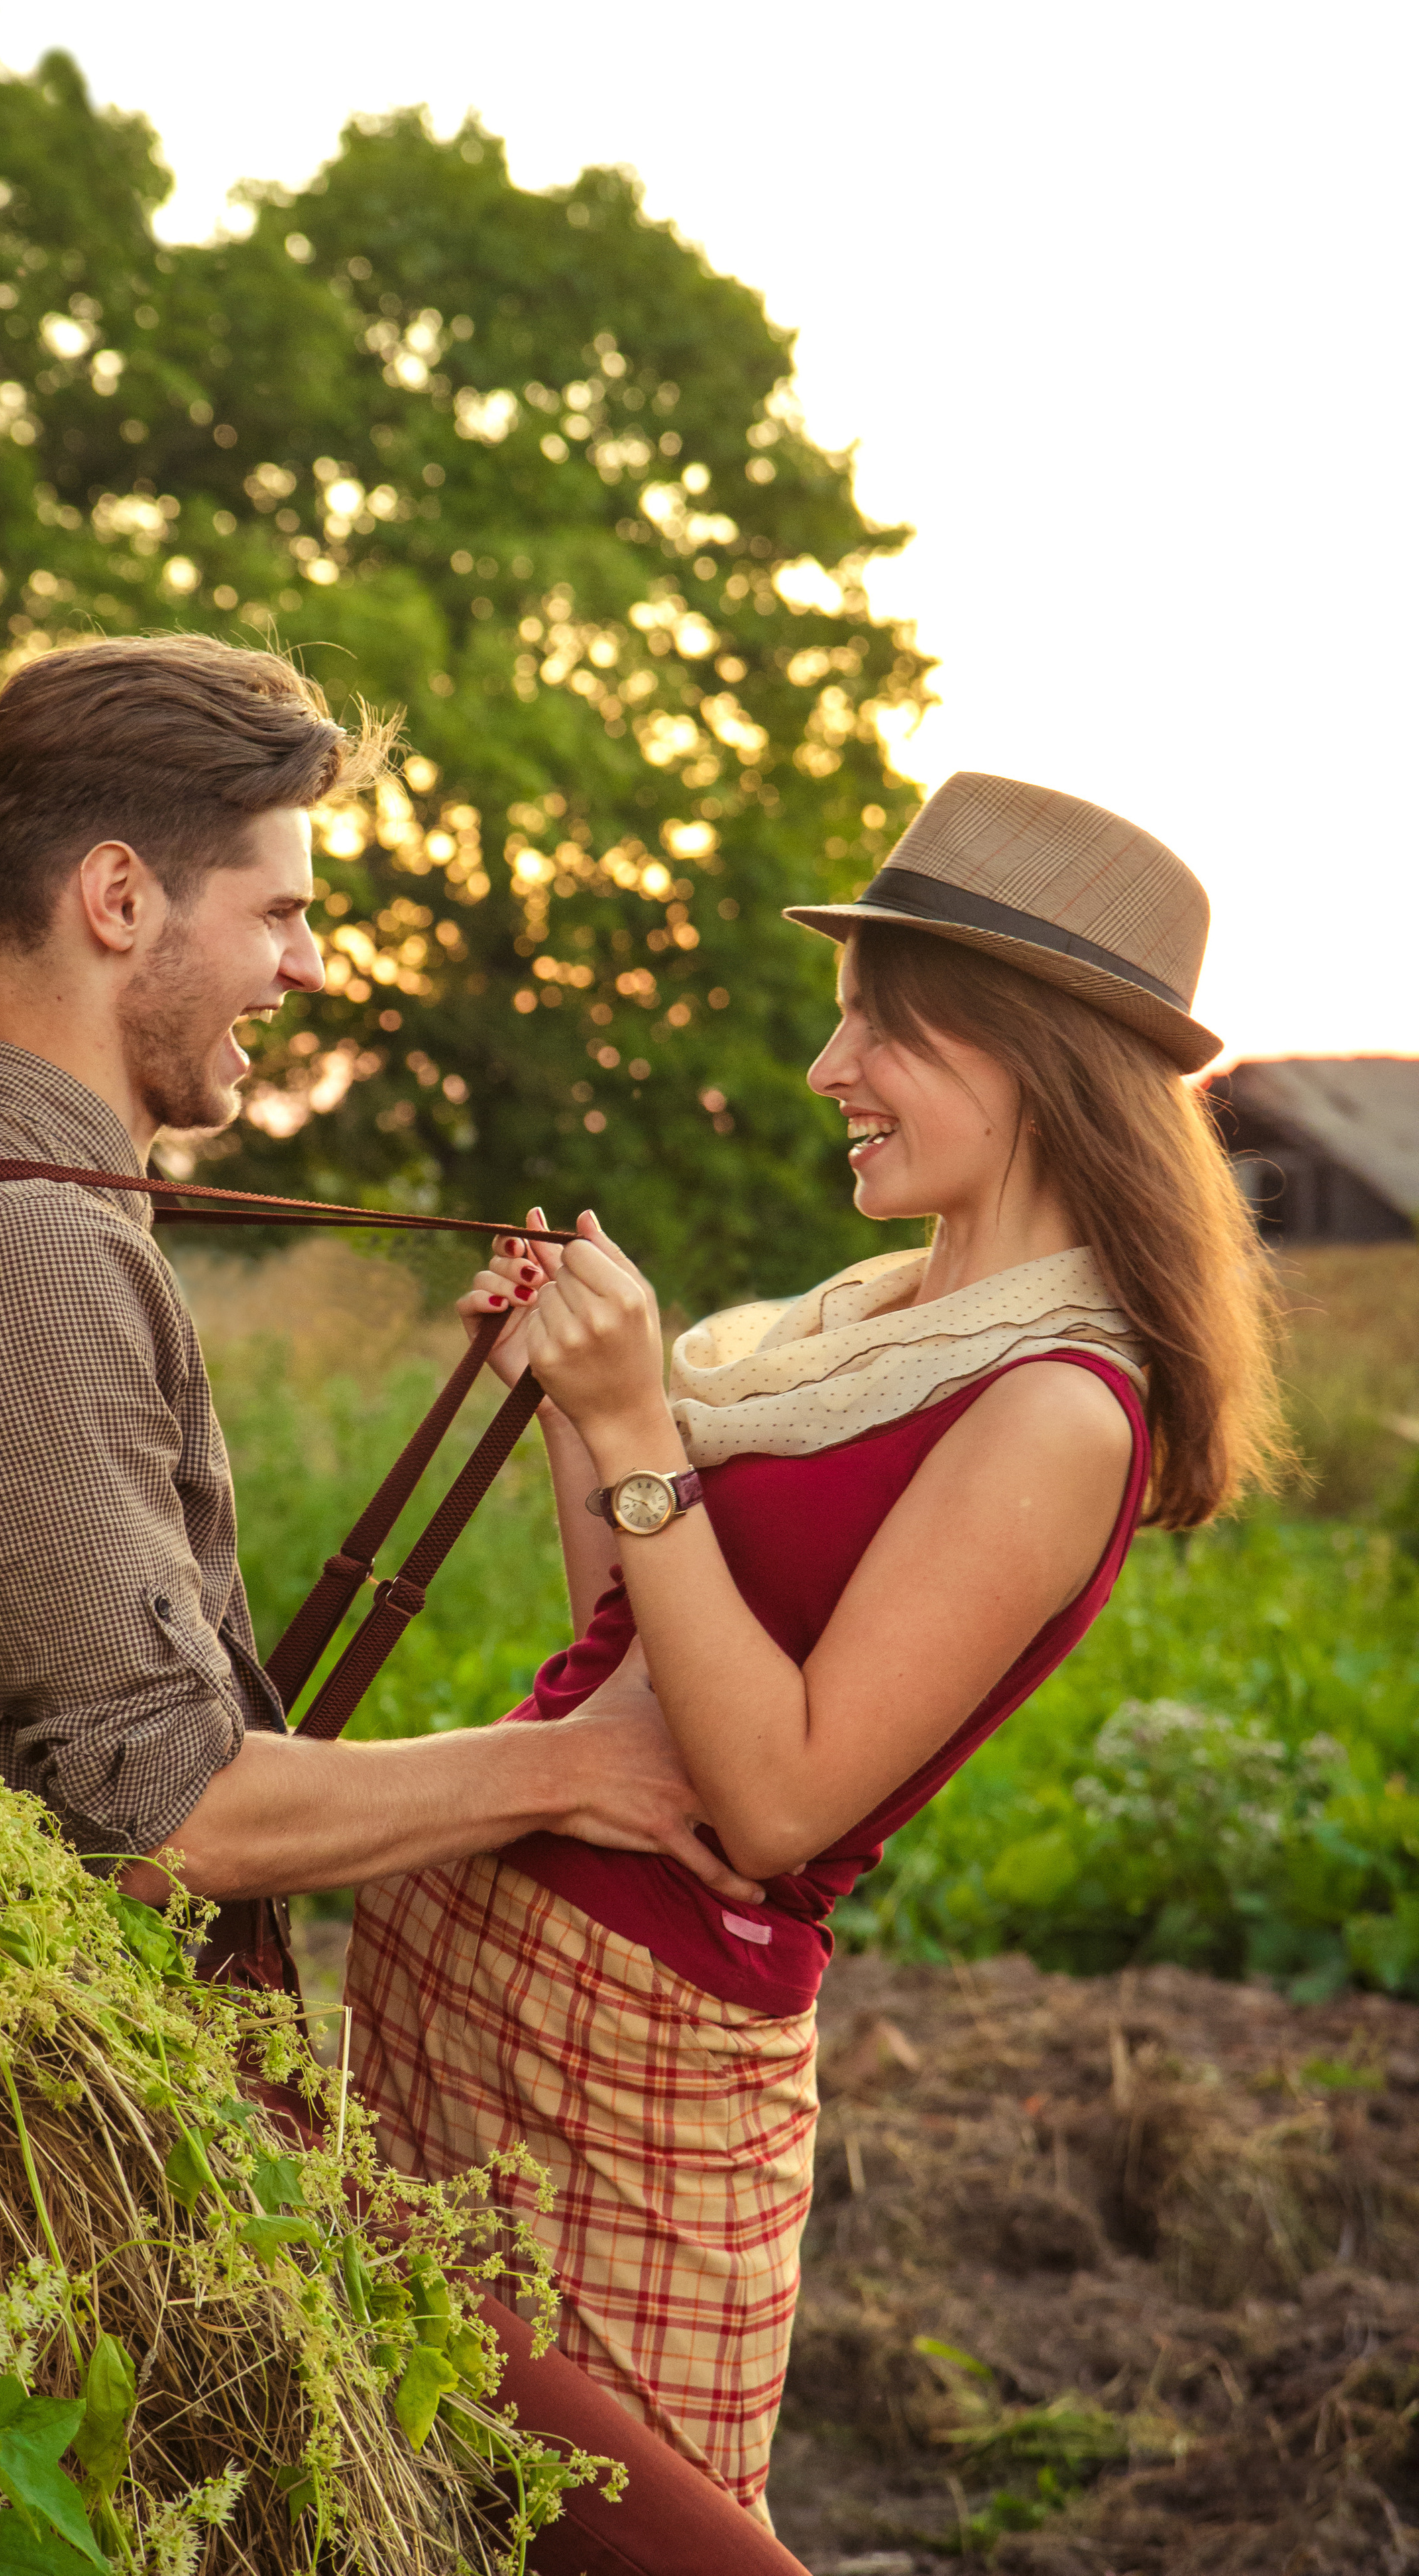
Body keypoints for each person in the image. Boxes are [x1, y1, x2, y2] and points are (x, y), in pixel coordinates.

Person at [0, 631, 811, 2576]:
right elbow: (175, 1818)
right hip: (113, 2149)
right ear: (119, 900)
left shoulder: (42, 1214)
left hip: (136, 2114)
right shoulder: (25, 1251)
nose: (312, 965)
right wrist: (572, 1769)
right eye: (281, 910)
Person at [344, 771, 1288, 2528]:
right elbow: (642, 1666)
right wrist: (576, 1419)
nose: (825, 1070)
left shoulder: (1060, 1410)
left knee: (649, 2537)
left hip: (646, 2055)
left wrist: (642, 1423)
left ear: (1032, 1063)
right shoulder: (860, 1329)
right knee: (417, 2510)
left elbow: (773, 1804)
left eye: (885, 1030)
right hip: (486, 1979)